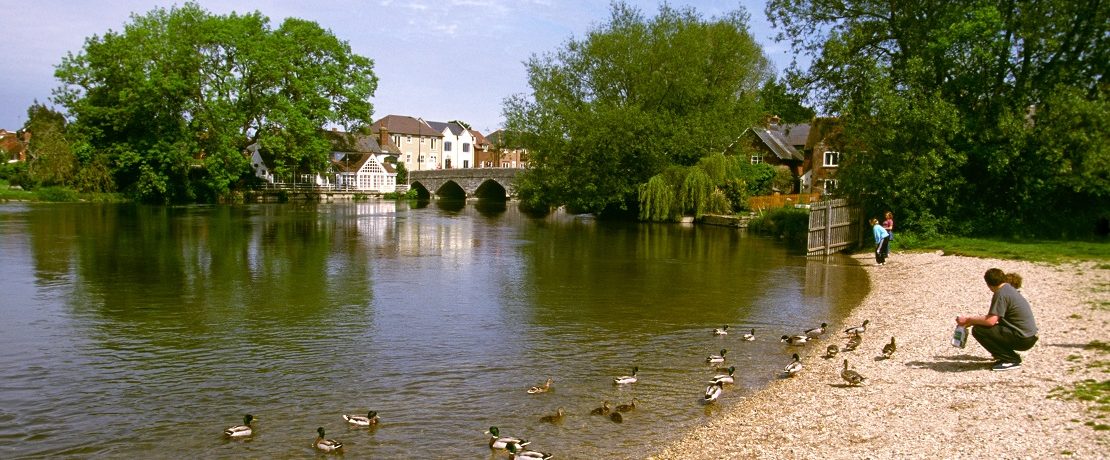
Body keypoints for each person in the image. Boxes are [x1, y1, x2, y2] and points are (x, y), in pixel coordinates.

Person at [956, 268, 1038, 371]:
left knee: (979, 330)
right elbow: (994, 318)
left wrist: (969, 320)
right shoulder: (1008, 289)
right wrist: (971, 321)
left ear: (988, 284)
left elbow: (991, 321)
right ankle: (1005, 356)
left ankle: (1010, 359)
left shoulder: (1001, 294)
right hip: (1029, 336)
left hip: (1022, 339)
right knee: (984, 327)